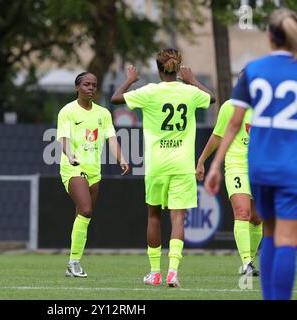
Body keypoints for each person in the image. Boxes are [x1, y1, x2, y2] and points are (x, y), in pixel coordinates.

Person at [205, 8, 297, 300]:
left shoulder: (254, 70)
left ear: (270, 38)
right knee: (286, 238)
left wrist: (214, 165)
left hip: (259, 166)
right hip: (290, 166)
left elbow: (233, 124)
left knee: (268, 232)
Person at [111, 48, 215, 287]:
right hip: (182, 164)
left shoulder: (149, 92)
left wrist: (129, 80)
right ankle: (173, 273)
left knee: (154, 217)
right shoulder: (189, 92)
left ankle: (155, 272)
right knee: (178, 218)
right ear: (178, 68)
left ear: (158, 70)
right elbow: (211, 98)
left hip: (157, 165)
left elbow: (116, 99)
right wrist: (192, 80)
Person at [57, 72, 129, 278]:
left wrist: (122, 159)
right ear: (77, 87)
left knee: (83, 216)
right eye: (86, 84)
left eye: (94, 85)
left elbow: (112, 139)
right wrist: (70, 156)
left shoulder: (103, 113)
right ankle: (74, 263)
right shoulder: (68, 111)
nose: (91, 88)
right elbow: (63, 139)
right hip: (72, 168)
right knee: (86, 209)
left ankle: (73, 263)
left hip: (94, 170)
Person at [197, 98, 262, 276]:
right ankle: (246, 262)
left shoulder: (265, 106)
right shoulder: (230, 107)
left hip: (259, 169)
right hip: (237, 167)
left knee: (257, 218)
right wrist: (202, 160)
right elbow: (217, 136)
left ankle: (250, 260)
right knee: (243, 212)